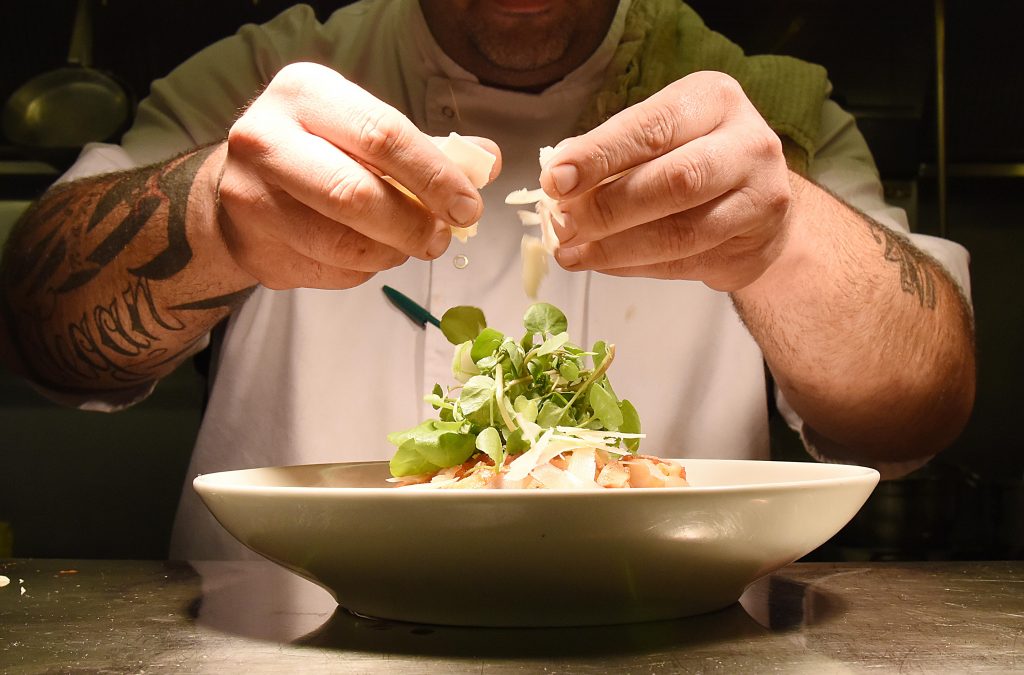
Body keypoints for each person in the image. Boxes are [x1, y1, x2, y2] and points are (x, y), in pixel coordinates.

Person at [0, 0, 975, 559]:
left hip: (669, 645)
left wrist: (782, 237)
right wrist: (215, 213)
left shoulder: (769, 105)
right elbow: (41, 328)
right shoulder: (274, 65)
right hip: (281, 631)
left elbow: (919, 412)